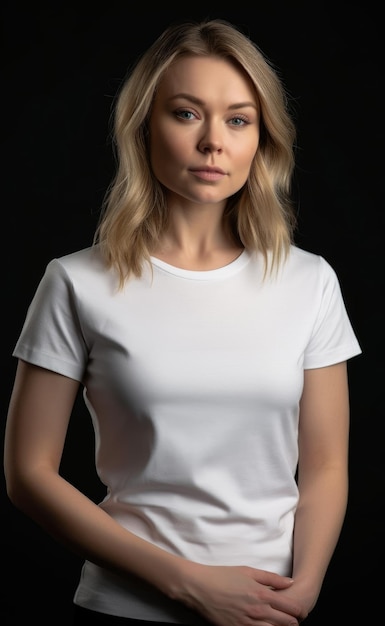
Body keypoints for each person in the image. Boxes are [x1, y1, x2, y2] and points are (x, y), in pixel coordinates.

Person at [3, 17, 362, 626]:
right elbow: (28, 474)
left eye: (238, 119)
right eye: (187, 113)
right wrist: (188, 584)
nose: (213, 142)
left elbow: (325, 463)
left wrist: (304, 590)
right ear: (145, 128)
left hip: (271, 609)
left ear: (262, 139)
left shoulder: (310, 282)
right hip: (125, 609)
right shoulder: (76, 281)